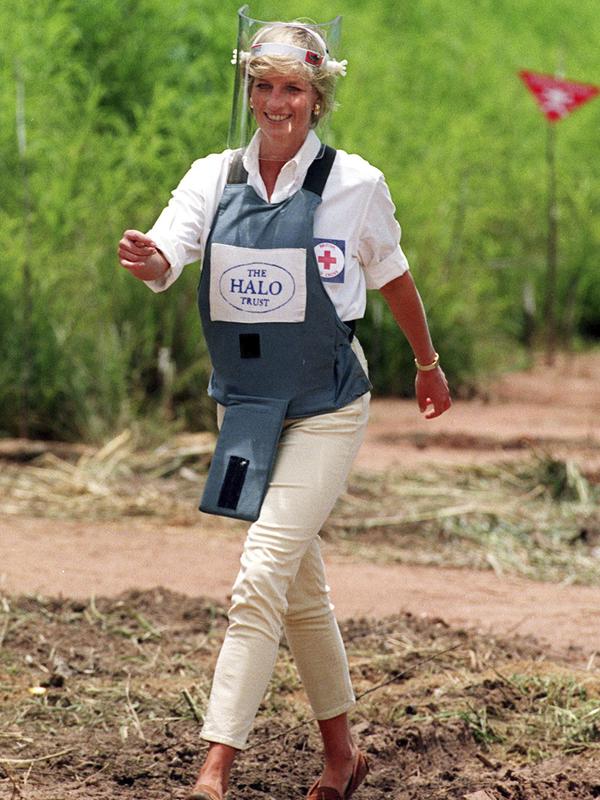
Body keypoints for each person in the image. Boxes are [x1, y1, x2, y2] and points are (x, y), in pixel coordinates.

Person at [118, 15, 451, 800]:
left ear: (317, 96)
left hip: (329, 404)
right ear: (250, 91)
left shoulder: (356, 183)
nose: (276, 102)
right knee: (299, 587)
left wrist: (429, 366)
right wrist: (149, 258)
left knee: (261, 572)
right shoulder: (212, 176)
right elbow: (171, 251)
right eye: (263, 87)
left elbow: (395, 278)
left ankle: (214, 769)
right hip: (248, 409)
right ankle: (343, 756)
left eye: (293, 88)